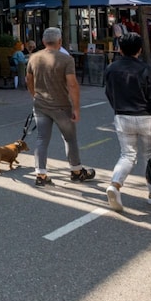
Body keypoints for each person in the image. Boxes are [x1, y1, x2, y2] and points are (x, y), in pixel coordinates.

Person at [102, 32, 151, 211]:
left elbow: (109, 93)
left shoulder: (111, 68)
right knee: (150, 155)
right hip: (146, 116)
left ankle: (115, 184)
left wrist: (117, 108)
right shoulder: (147, 69)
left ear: (119, 48)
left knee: (127, 154)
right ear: (140, 49)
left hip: (122, 115)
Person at [25, 26, 95, 186]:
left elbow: (28, 79)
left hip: (41, 104)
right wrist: (76, 107)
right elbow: (72, 84)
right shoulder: (66, 59)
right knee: (70, 138)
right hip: (62, 105)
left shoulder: (34, 57)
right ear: (59, 41)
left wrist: (33, 95)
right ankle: (76, 170)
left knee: (42, 138)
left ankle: (40, 174)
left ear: (43, 41)